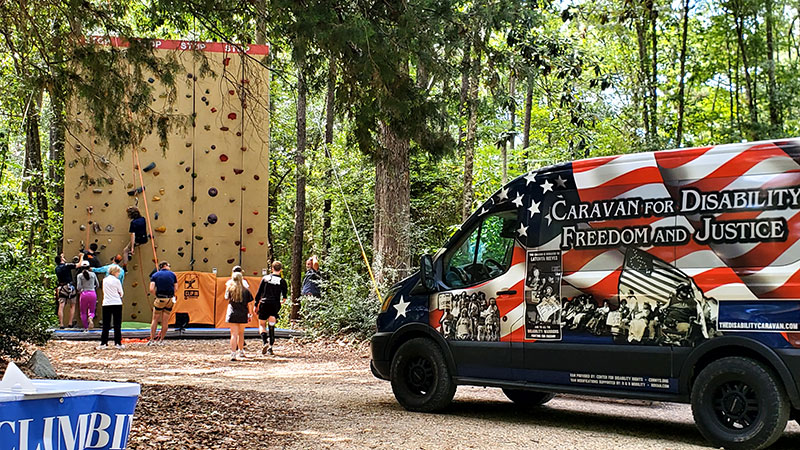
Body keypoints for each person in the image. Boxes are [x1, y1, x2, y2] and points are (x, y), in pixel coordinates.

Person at [254, 261, 288, 355]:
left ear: (272, 269)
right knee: (271, 325)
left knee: (262, 324)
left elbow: (259, 293)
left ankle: (265, 342)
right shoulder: (282, 281)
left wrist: (256, 304)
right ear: (280, 270)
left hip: (264, 303)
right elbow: (284, 296)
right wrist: (281, 302)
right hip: (275, 304)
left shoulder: (265, 278)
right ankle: (271, 347)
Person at [225, 271, 254, 361]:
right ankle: (241, 351)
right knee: (241, 333)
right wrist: (250, 314)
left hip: (232, 313)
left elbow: (226, 298)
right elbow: (249, 304)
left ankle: (233, 354)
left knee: (233, 334)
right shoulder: (246, 291)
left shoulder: (230, 289)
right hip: (242, 313)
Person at [149, 261, 177, 345]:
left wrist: (156, 295)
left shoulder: (155, 275)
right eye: (169, 265)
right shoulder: (173, 275)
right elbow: (176, 288)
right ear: (165, 266)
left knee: (155, 319)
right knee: (165, 321)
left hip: (160, 298)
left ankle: (152, 340)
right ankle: (161, 340)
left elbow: (151, 288)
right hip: (170, 299)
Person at [99, 265, 124, 349]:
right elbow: (121, 292)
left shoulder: (104, 280)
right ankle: (118, 343)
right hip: (116, 303)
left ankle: (104, 343)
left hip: (106, 303)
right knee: (117, 324)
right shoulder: (117, 281)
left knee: (106, 324)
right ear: (115, 272)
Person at [55, 253, 82, 328]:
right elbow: (79, 265)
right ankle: (70, 323)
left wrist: (62, 256)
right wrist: (81, 256)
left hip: (61, 287)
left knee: (61, 306)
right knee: (72, 305)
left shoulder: (57, 268)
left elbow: (60, 262)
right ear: (61, 260)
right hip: (69, 287)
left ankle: (61, 324)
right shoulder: (67, 266)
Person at [76, 262, 99, 330]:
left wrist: (81, 290)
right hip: (92, 293)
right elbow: (97, 284)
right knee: (92, 310)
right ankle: (91, 317)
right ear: (89, 267)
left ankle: (86, 327)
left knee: (83, 312)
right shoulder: (93, 274)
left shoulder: (79, 276)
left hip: (84, 294)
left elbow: (78, 287)